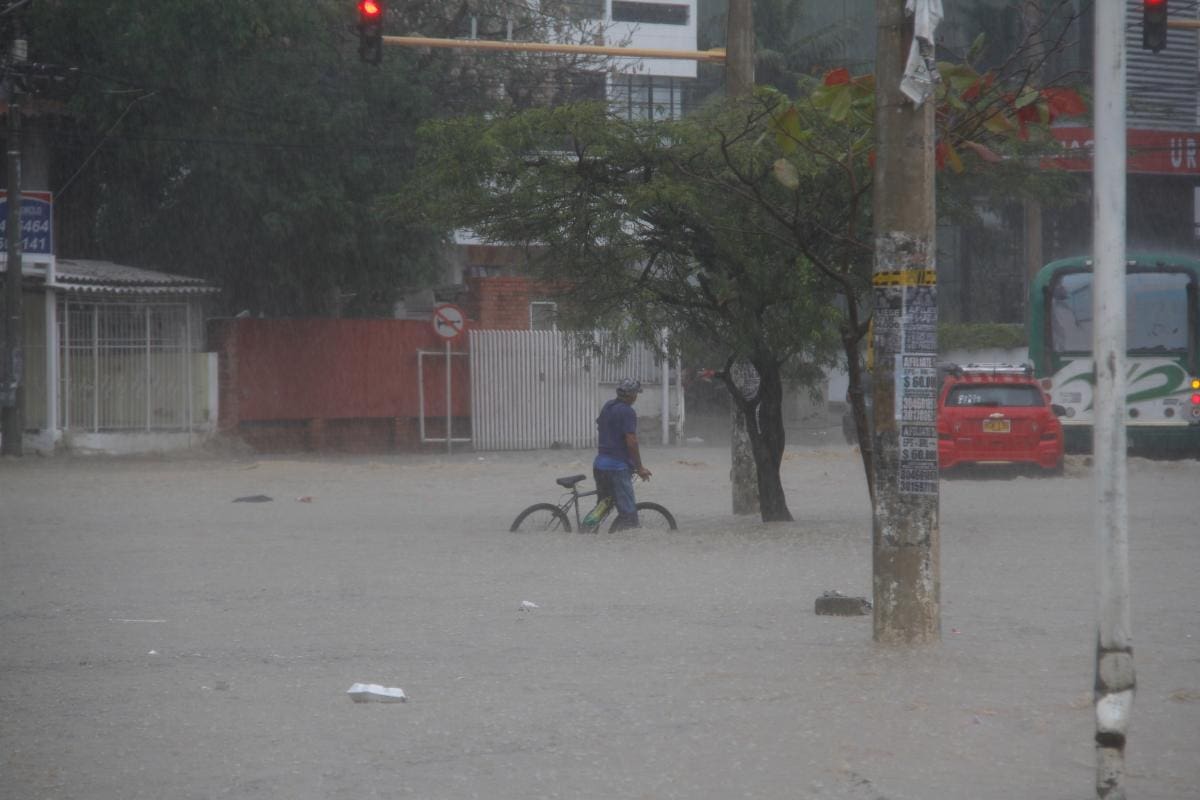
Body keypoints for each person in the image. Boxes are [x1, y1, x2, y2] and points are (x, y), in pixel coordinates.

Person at [593, 378, 652, 530]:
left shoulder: (608, 406)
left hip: (600, 465)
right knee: (629, 515)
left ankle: (585, 531)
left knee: (603, 506)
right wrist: (640, 468)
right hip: (617, 468)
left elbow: (601, 427)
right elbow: (631, 442)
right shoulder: (627, 411)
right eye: (636, 394)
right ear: (631, 395)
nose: (636, 397)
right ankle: (626, 543)